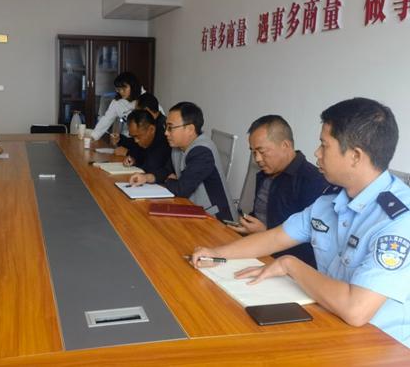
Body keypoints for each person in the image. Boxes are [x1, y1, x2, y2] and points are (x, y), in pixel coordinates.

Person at [191, 98, 410, 348]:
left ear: (355, 156)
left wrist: (290, 264)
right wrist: (217, 254)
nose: (317, 153)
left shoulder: (399, 219)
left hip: (380, 346)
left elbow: (356, 309)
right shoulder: (330, 200)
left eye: (324, 145)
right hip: (329, 321)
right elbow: (275, 238)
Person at [227, 115, 329, 268]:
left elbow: (312, 246)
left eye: (261, 151)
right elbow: (261, 214)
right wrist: (247, 225)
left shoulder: (313, 181)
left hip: (283, 265)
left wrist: (264, 232)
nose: (257, 159)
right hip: (256, 250)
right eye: (253, 152)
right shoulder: (264, 175)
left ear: (285, 145)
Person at [129, 102, 237, 221]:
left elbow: (182, 189)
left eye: (171, 128)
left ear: (190, 129)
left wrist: (169, 180)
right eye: (166, 127)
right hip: (193, 211)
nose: (166, 133)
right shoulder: (178, 147)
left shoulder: (202, 151)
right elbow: (167, 170)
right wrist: (146, 178)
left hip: (216, 219)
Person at [87, 72, 144, 142]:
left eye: (124, 89)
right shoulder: (117, 103)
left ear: (132, 86)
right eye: (118, 89)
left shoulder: (144, 99)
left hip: (141, 140)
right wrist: (94, 136)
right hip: (126, 140)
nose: (121, 92)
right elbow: (106, 120)